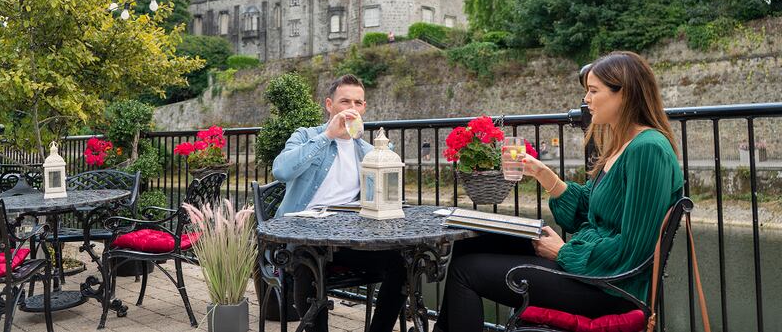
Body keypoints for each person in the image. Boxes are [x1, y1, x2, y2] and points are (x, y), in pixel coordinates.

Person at [434, 51, 684, 332]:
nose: (586, 100)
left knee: (465, 272)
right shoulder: (623, 145)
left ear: (623, 94)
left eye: (593, 91)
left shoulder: (648, 149)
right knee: (470, 245)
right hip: (594, 272)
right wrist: (544, 174)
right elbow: (587, 211)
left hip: (612, 288)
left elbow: (633, 250)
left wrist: (563, 252)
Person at [272, 74, 406, 332]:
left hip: (348, 239)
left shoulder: (368, 152)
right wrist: (327, 135)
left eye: (358, 103)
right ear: (329, 105)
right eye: (345, 101)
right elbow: (281, 171)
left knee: (401, 262)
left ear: (364, 107)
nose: (351, 108)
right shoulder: (306, 136)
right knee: (308, 263)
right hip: (304, 236)